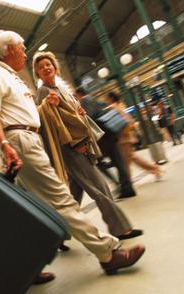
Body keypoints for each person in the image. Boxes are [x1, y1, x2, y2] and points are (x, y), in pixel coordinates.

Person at [0, 30, 145, 284]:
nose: (25, 52)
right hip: (19, 141)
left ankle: (27, 267)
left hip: (29, 139)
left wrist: (46, 107)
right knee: (62, 199)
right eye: (22, 47)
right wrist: (4, 144)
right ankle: (107, 253)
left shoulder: (16, 79)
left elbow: (29, 114)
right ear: (9, 49)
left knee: (30, 211)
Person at [32, 51, 143, 241]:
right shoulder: (43, 92)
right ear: (37, 73)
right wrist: (76, 143)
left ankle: (58, 234)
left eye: (48, 64)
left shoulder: (59, 89)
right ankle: (120, 229)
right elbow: (53, 123)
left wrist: (78, 111)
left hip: (76, 147)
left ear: (55, 67)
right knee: (100, 188)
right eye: (41, 67)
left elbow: (70, 114)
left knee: (73, 198)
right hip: (72, 148)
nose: (46, 68)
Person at [75, 87, 137, 198]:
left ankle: (119, 185)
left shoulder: (85, 102)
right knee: (119, 162)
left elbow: (89, 119)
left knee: (99, 163)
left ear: (79, 95)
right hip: (111, 133)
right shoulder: (95, 100)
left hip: (102, 139)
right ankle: (128, 188)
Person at [106, 92, 162, 181]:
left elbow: (125, 121)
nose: (106, 100)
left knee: (126, 161)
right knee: (130, 158)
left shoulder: (113, 107)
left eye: (107, 98)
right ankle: (152, 169)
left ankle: (128, 181)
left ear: (111, 98)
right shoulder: (120, 105)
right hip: (126, 136)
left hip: (123, 137)